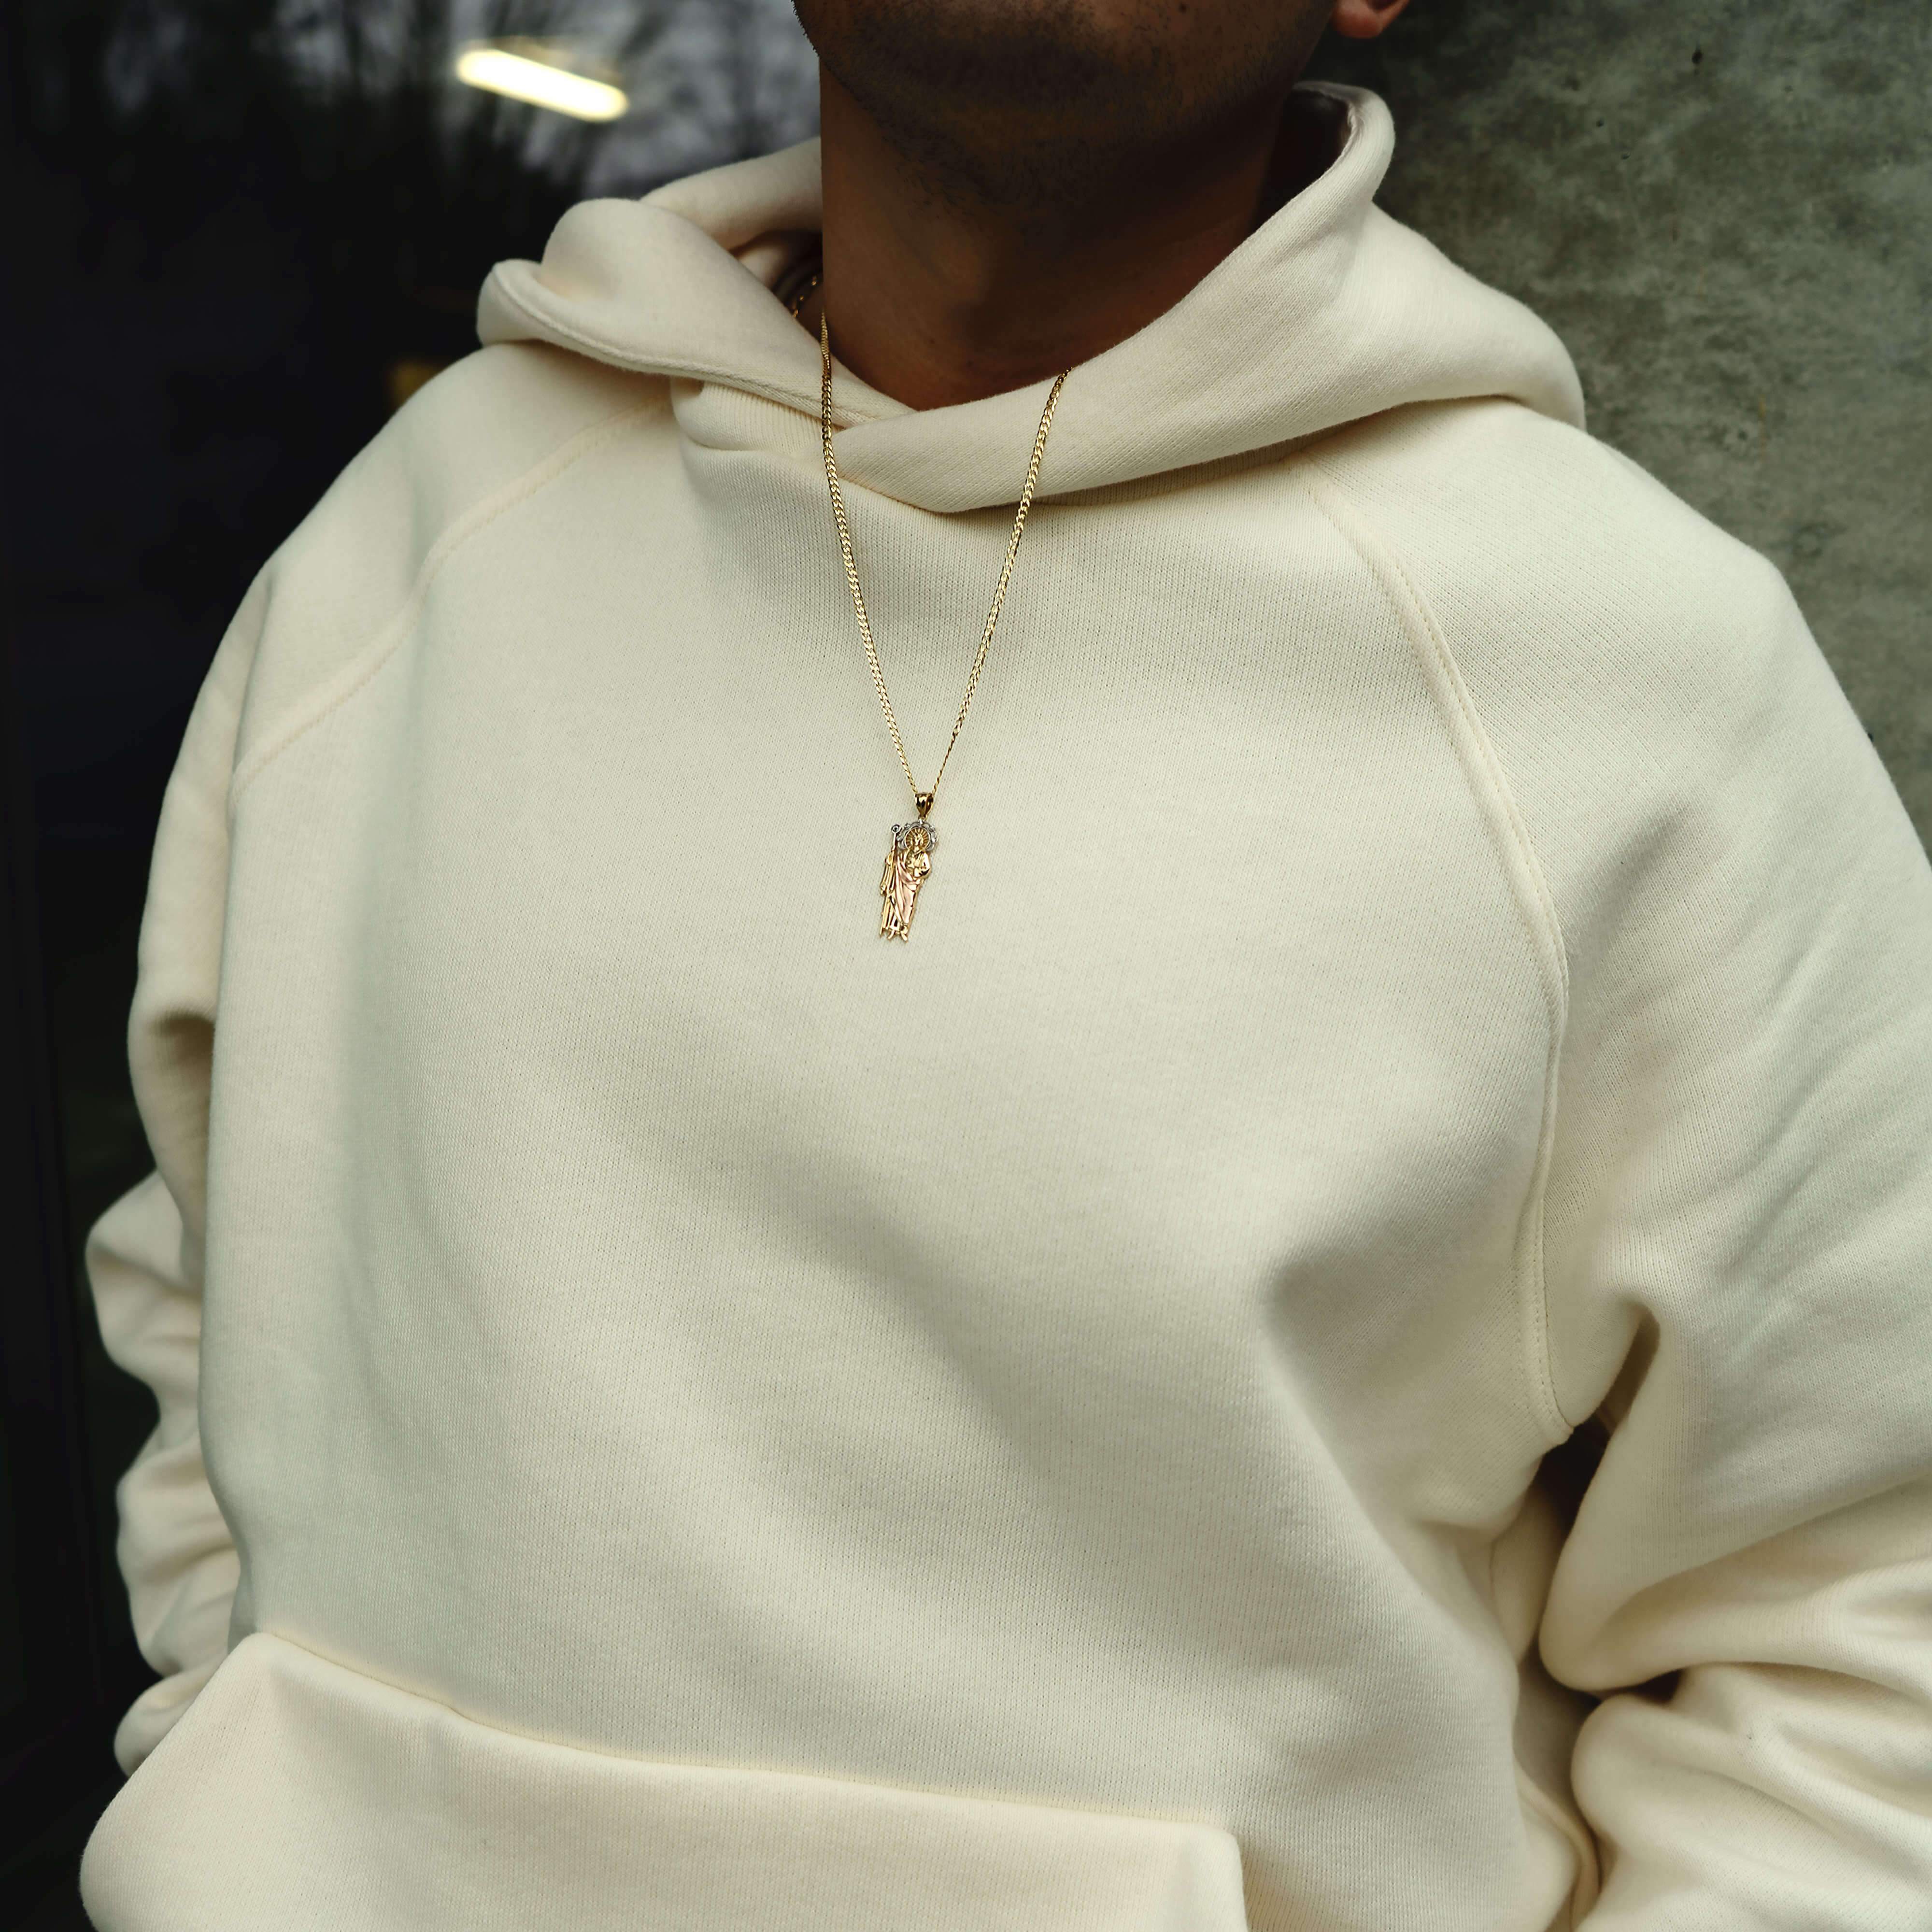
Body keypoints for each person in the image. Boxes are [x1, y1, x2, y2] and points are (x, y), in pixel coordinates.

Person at [77, 0, 1932, 1927]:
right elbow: (206, 1268)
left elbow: (1873, 1634)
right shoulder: (413, 546)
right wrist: (244, 1784)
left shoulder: (1627, 689)